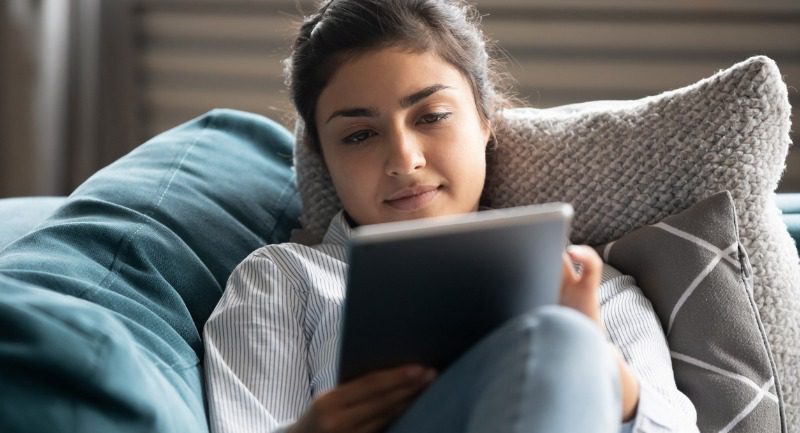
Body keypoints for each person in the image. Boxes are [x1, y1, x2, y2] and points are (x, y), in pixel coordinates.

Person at [203, 1, 699, 432]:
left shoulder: (588, 285)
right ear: (321, 153)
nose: (404, 160)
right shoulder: (283, 279)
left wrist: (598, 368)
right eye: (358, 135)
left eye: (431, 117)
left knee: (565, 338)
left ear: (485, 119)